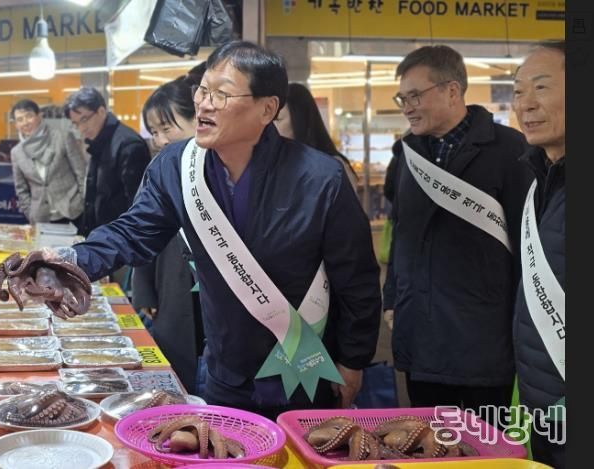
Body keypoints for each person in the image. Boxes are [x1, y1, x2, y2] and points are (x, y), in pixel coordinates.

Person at [35, 41, 382, 419]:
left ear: (267, 109)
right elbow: (133, 232)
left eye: (222, 94)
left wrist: (353, 359)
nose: (204, 104)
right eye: (202, 90)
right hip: (226, 371)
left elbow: (356, 278)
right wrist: (69, 261)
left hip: (305, 370)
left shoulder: (319, 178)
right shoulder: (177, 165)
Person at [382, 45, 533, 416]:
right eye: (402, 98)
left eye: (415, 96)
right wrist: (392, 300)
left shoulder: (509, 150)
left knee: (488, 442)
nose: (407, 107)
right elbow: (401, 233)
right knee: (429, 439)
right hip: (420, 336)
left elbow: (528, 244)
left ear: (452, 91)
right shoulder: (406, 154)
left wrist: (525, 326)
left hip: (485, 339)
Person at [131, 72, 206, 394]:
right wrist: (144, 291)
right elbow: (138, 230)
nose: (160, 140)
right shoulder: (158, 170)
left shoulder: (222, 166)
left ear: (196, 119)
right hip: (171, 284)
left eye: (167, 128)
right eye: (154, 132)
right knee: (178, 368)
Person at [511, 41, 565, 468]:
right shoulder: (540, 179)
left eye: (541, 87)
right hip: (543, 406)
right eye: (517, 91)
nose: (525, 104)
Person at [64, 87, 151, 236]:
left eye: (84, 119)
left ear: (101, 111)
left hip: (119, 238)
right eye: (76, 123)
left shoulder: (128, 145)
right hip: (102, 236)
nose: (81, 128)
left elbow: (138, 205)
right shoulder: (98, 141)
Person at [10, 99, 86, 224]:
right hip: (42, 218)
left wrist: (82, 202)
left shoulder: (62, 137)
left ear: (39, 116)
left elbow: (81, 173)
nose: (25, 123)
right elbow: (21, 189)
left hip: (73, 212)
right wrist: (30, 213)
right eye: (20, 119)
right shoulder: (17, 152)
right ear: (16, 125)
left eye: (29, 116)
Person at [274, 82, 358, 189]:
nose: (270, 127)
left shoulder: (331, 168)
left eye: (277, 119)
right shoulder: (277, 164)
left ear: (300, 120)